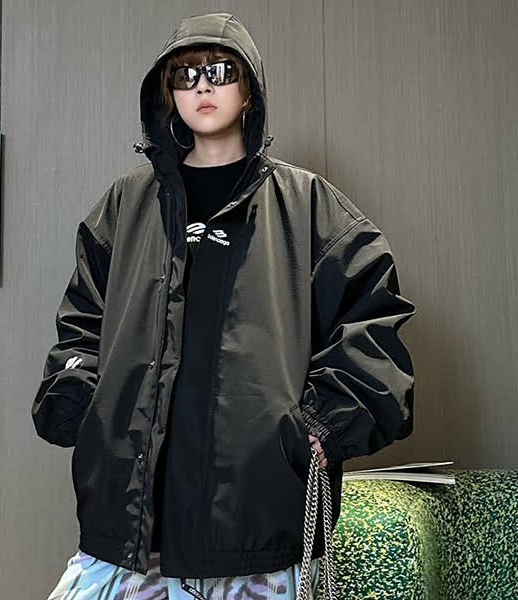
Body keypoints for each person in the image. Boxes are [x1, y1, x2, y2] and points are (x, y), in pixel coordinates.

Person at [32, 11, 416, 600]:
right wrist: (87, 408)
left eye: (219, 71)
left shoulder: (307, 204)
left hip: (258, 524)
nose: (202, 87)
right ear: (167, 93)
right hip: (130, 529)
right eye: (184, 76)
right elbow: (83, 321)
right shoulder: (127, 204)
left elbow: (373, 321)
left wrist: (319, 427)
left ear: (249, 90)